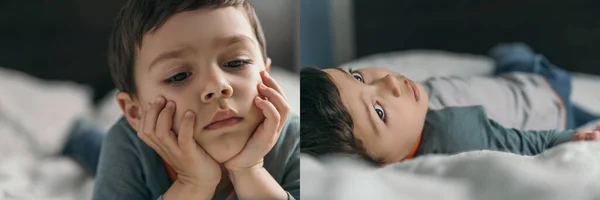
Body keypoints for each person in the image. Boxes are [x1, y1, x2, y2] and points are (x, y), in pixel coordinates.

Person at [92, 0, 299, 200]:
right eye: (179, 76)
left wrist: (249, 171)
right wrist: (193, 184)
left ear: (267, 74)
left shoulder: (295, 139)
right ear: (135, 112)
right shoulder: (127, 145)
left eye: (237, 62)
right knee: (92, 149)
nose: (217, 86)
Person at [300, 43, 600, 166]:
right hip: (545, 95)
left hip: (514, 84)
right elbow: (524, 142)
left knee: (510, 57)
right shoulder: (456, 135)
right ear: (384, 163)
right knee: (518, 56)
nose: (390, 83)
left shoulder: (413, 108)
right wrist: (572, 138)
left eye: (357, 76)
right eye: (378, 111)